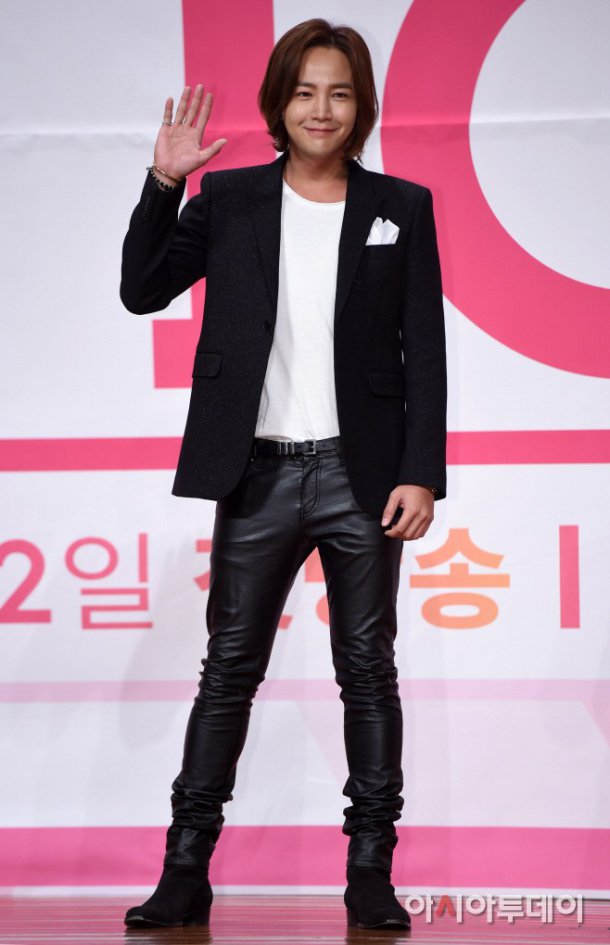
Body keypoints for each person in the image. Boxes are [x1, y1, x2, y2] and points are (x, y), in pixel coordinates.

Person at [120, 18, 446, 931]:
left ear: (361, 105)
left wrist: (422, 471)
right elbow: (141, 288)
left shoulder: (400, 205)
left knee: (367, 672)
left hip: (361, 475)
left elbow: (425, 347)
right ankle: (185, 869)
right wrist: (164, 184)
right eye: (305, 91)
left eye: (339, 92)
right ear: (279, 103)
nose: (321, 109)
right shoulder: (228, 200)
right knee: (228, 669)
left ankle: (370, 872)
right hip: (256, 471)